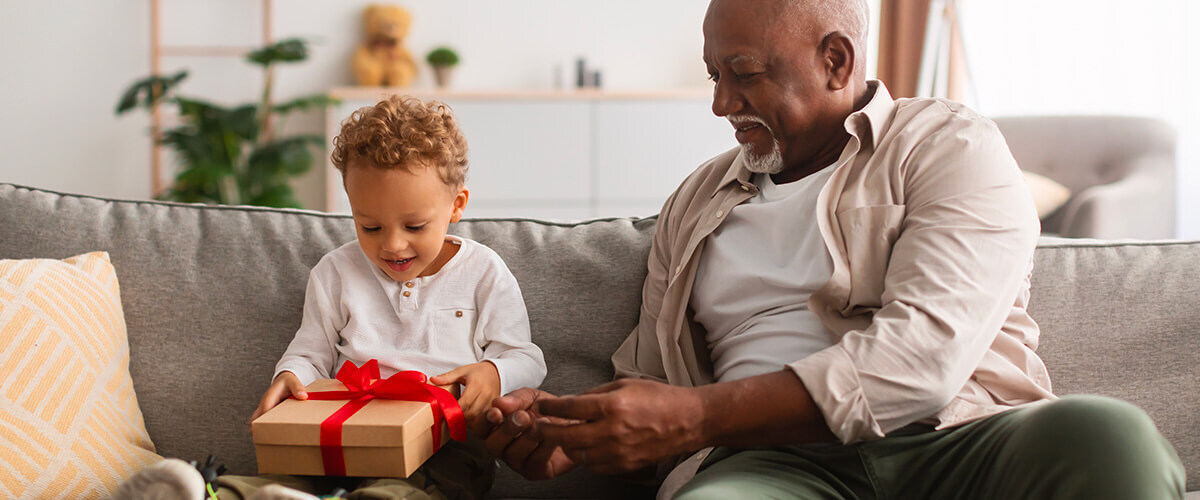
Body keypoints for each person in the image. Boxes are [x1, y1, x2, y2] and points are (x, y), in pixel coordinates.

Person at [479, 0, 1186, 498]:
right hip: (767, 469)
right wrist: (575, 438)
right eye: (713, 76)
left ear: (835, 61)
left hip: (958, 443)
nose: (720, 104)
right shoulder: (694, 203)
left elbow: (922, 360)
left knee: (1108, 434)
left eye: (744, 73)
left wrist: (695, 417)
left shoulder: (947, 146)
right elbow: (653, 386)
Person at [118, 96, 547, 500]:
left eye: (414, 226)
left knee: (413, 488)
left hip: (444, 442)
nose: (393, 246)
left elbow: (526, 358)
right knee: (281, 478)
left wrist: (494, 373)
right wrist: (291, 376)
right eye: (370, 227)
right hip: (342, 431)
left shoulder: (483, 271)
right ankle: (205, 491)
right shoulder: (336, 272)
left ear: (456, 205)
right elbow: (310, 353)